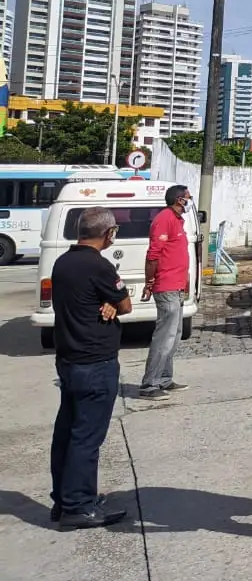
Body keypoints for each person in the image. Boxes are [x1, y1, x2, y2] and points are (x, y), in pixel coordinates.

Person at [49, 206, 132, 530]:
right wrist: (113, 300)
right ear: (108, 233)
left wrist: (108, 300)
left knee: (67, 434)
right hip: (95, 362)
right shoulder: (99, 266)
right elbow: (125, 304)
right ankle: (79, 506)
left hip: (69, 359)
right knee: (86, 438)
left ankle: (64, 498)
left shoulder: (63, 262)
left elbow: (95, 300)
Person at [138, 185, 191, 401]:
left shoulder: (178, 220)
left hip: (177, 286)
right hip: (166, 286)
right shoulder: (164, 219)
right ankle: (149, 384)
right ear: (179, 200)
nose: (189, 201)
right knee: (164, 337)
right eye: (188, 198)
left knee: (175, 335)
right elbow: (153, 255)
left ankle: (164, 378)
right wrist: (149, 282)